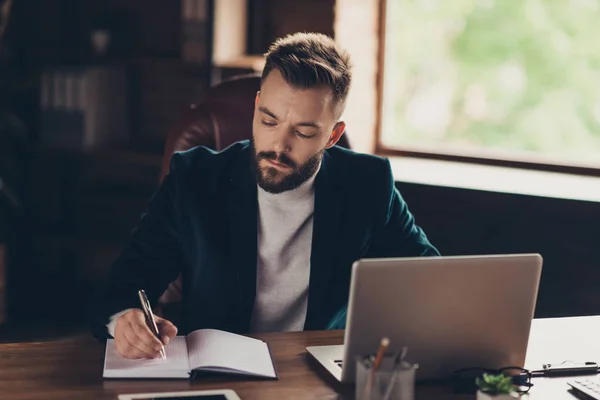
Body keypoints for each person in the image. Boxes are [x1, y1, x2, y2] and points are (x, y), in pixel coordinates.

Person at [89, 32, 439, 359]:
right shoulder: (194, 179)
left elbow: (429, 279)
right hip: (217, 370)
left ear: (333, 136)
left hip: (315, 373)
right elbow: (124, 285)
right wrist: (124, 321)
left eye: (303, 132)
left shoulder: (368, 184)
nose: (278, 145)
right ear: (257, 106)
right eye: (269, 121)